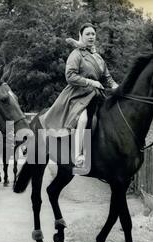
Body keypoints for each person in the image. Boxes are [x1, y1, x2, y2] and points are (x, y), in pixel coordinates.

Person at [39, 23, 118, 167]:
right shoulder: (76, 54)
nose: (91, 37)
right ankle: (78, 156)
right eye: (87, 34)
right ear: (80, 36)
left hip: (97, 95)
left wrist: (115, 86)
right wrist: (91, 82)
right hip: (78, 95)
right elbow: (70, 76)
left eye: (93, 34)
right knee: (83, 119)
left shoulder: (98, 57)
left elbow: (107, 77)